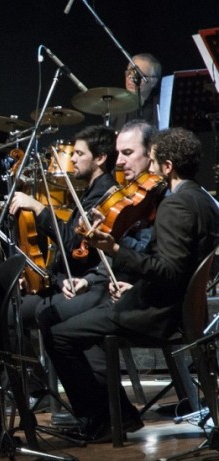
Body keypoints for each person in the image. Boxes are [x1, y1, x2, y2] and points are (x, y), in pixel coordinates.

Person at [40, 127, 219, 443]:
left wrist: (114, 250)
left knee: (60, 335)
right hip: (175, 306)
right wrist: (133, 288)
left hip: (159, 313)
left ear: (167, 167)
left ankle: (106, 419)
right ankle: (114, 415)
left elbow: (167, 271)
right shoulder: (204, 199)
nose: (149, 170)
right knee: (81, 323)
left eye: (152, 162)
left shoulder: (175, 206)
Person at [7, 125, 119, 326]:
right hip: (67, 281)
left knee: (15, 314)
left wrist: (38, 207)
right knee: (11, 308)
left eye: (79, 153)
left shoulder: (104, 196)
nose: (72, 159)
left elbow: (73, 244)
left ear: (100, 158)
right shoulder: (93, 190)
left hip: (83, 285)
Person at [110, 54, 162, 131]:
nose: (131, 79)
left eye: (138, 75)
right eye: (129, 73)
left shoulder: (162, 109)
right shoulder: (115, 107)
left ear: (153, 82)